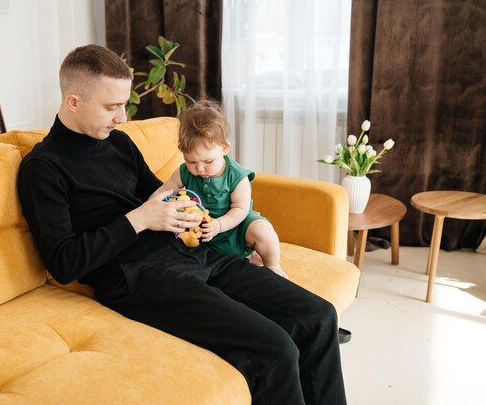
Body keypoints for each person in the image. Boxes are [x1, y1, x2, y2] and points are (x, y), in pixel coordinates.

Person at [17, 44, 348, 405]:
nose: (123, 117)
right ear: (74, 101)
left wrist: (188, 209)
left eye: (124, 105)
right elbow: (64, 263)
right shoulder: (43, 168)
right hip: (139, 280)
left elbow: (159, 196)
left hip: (197, 255)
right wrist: (140, 219)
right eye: (112, 107)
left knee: (318, 316)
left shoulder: (119, 144)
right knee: (276, 349)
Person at [154, 99, 287, 278]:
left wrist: (219, 224)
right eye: (191, 161)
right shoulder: (184, 172)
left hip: (237, 227)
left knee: (263, 230)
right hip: (203, 232)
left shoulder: (237, 175)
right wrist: (151, 205)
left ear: (224, 148)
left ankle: (273, 265)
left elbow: (240, 209)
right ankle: (241, 260)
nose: (199, 169)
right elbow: (166, 190)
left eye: (208, 161)